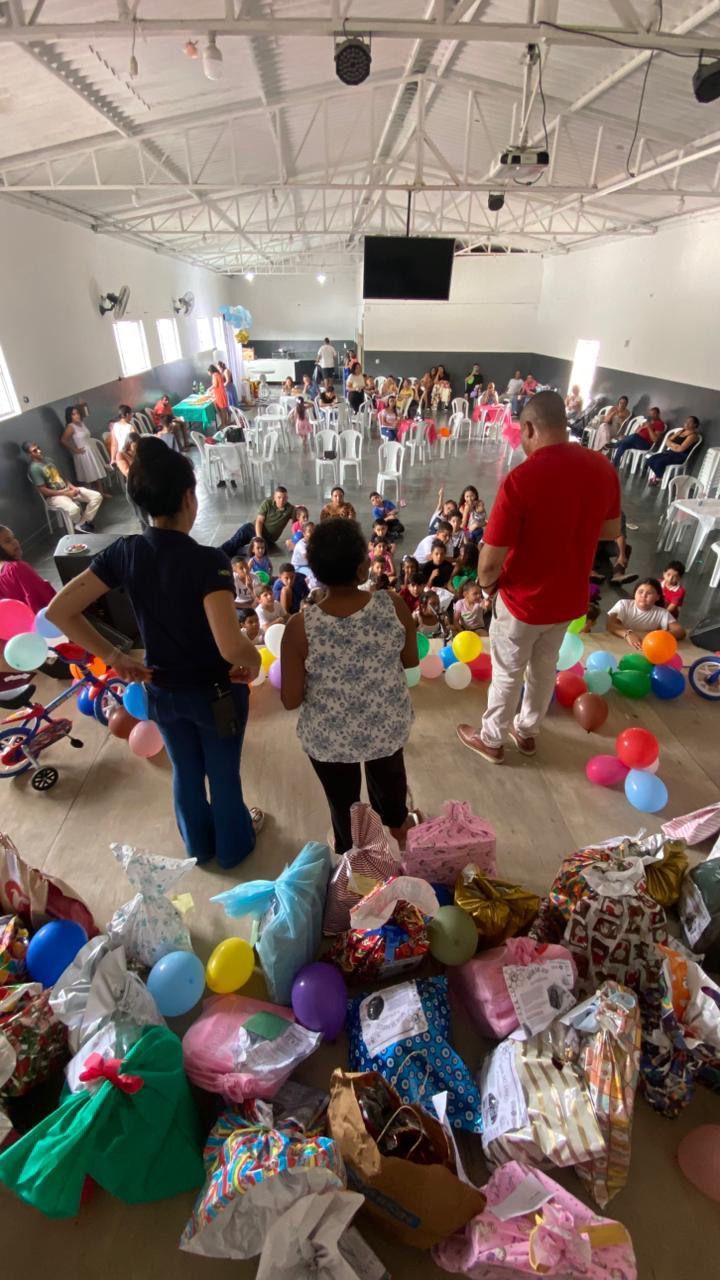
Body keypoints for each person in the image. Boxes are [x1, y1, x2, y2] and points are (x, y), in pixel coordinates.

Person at [45, 438, 263, 868]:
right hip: (216, 694)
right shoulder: (208, 561)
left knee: (184, 771)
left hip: (161, 691)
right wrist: (252, 661)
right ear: (188, 497)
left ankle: (198, 848)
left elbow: (60, 610)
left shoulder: (125, 552)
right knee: (221, 775)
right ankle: (235, 848)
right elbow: (229, 644)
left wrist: (115, 655)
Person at [457, 391, 620, 765]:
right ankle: (528, 733)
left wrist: (485, 590)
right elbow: (611, 531)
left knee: (508, 671)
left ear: (528, 427)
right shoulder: (602, 467)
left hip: (523, 600)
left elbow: (488, 563)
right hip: (568, 599)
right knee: (545, 667)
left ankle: (492, 740)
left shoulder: (522, 479)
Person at [280, 517, 418, 854]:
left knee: (342, 801)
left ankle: (351, 854)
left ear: (315, 571)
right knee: (390, 782)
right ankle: (398, 828)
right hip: (385, 728)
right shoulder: (393, 605)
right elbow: (411, 660)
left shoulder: (300, 628)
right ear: (362, 568)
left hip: (329, 740)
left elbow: (290, 699)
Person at [23, 441, 103, 534]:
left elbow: (63, 477)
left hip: (67, 490)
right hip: (54, 497)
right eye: (35, 451)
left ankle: (82, 523)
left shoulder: (48, 460)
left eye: (38, 447)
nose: (39, 451)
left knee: (96, 496)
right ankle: (79, 524)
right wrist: (65, 493)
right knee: (74, 509)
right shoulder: (34, 469)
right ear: (29, 454)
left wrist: (73, 487)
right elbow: (44, 491)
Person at [607, 579, 686, 648]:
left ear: (657, 597)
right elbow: (611, 624)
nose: (643, 596)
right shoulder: (623, 604)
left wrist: (658, 637)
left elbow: (680, 631)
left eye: (649, 593)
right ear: (635, 593)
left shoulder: (662, 612)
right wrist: (628, 634)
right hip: (620, 644)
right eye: (640, 592)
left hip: (645, 647)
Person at [0, 524, 55, 613]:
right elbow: (38, 599)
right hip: (45, 619)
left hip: (22, 623)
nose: (15, 542)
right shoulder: (16, 568)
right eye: (8, 541)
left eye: (13, 538)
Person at [60, 407, 107, 489]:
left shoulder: (81, 423)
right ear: (69, 416)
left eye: (77, 413)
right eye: (73, 414)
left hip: (91, 450)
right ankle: (93, 495)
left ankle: (102, 493)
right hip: (83, 453)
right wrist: (74, 449)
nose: (77, 415)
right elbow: (63, 440)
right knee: (88, 475)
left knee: (97, 472)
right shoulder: (71, 427)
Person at [646, 417, 700, 484]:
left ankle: (658, 478)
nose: (686, 423)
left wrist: (671, 445)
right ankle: (659, 475)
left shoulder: (693, 436)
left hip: (680, 456)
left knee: (659, 462)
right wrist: (674, 446)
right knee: (650, 459)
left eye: (690, 422)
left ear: (695, 425)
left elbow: (680, 449)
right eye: (686, 421)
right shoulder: (681, 431)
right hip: (671, 453)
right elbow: (667, 441)